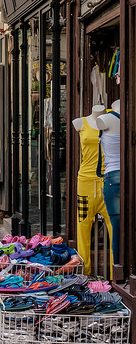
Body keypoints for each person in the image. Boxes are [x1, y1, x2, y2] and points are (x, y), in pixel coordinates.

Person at [72, 104, 114, 276]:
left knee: (115, 229)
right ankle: (84, 273)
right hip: (86, 183)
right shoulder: (79, 123)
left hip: (109, 182)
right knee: (83, 229)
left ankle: (114, 274)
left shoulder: (113, 120)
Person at [98, 99, 121, 262]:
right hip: (128, 175)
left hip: (113, 176)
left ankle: (118, 266)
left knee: (117, 226)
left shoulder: (105, 119)